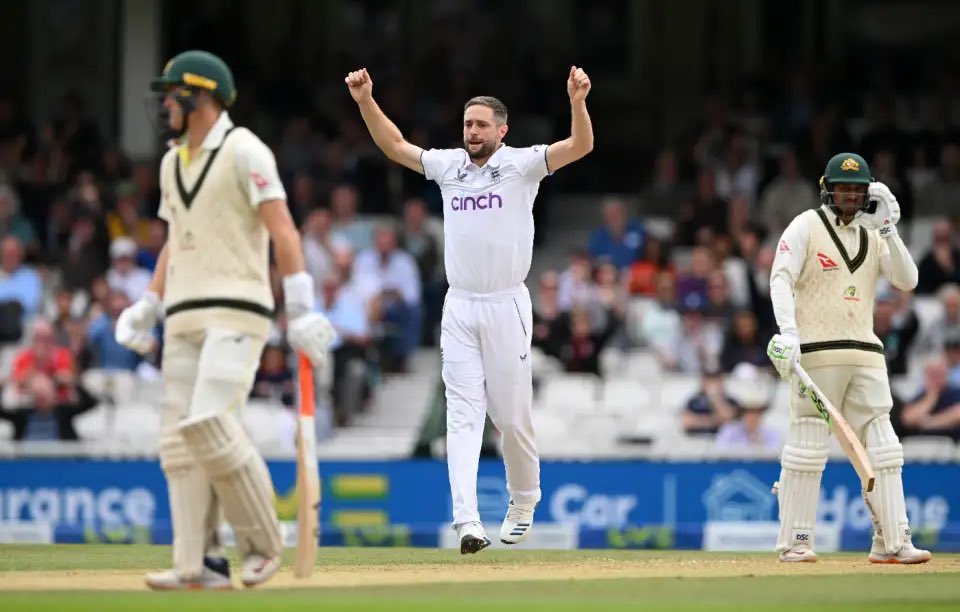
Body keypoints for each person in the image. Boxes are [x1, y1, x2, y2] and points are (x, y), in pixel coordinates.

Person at [346, 65, 594, 553]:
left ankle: (524, 498)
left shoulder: (523, 164)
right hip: (459, 305)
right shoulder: (448, 166)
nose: (472, 132)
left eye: (481, 125)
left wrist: (578, 103)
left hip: (506, 303)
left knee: (510, 418)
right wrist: (365, 101)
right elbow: (395, 146)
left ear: (502, 130)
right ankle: (467, 522)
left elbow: (580, 146)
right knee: (462, 415)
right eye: (467, 124)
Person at [115, 50, 333, 590]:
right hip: (182, 311)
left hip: (238, 306)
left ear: (199, 94)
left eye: (172, 94)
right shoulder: (171, 162)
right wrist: (149, 302)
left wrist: (300, 307)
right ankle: (199, 563)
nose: (165, 105)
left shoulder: (245, 150)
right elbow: (176, 236)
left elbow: (283, 230)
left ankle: (263, 543)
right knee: (178, 443)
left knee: (209, 422)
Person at [766, 152, 930, 564]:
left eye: (857, 190)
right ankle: (796, 540)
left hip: (866, 353)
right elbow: (780, 277)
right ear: (828, 190)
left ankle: (892, 541)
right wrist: (789, 332)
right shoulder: (806, 225)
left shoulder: (875, 234)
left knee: (885, 448)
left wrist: (890, 230)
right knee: (807, 445)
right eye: (843, 188)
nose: (851, 196)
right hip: (815, 352)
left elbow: (908, 280)